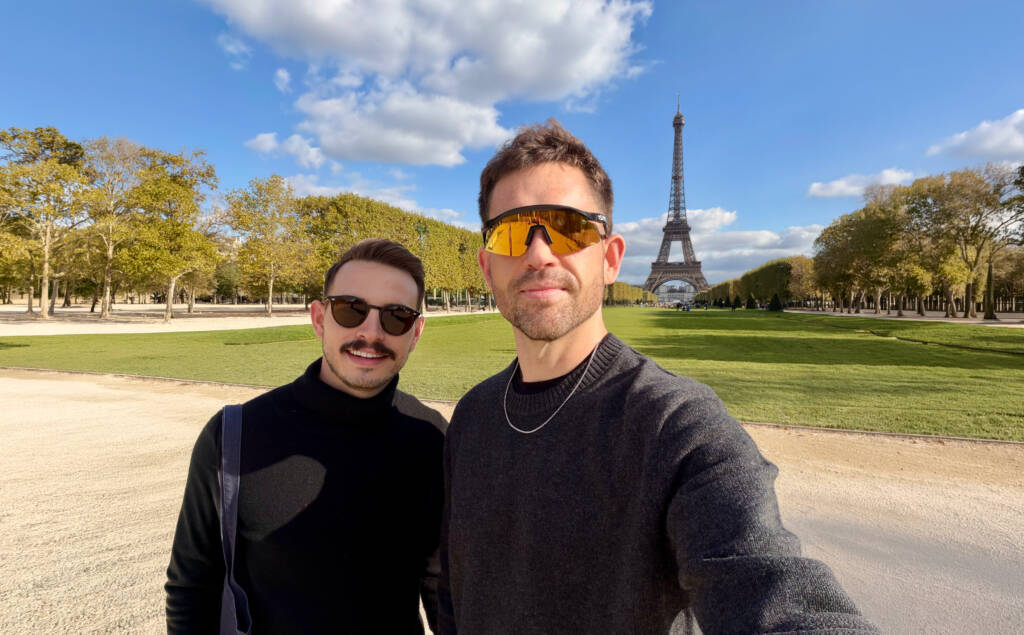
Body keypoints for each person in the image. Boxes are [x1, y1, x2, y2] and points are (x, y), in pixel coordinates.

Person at [437, 120, 879, 634]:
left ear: (610, 259)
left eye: (568, 227)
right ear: (486, 267)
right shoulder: (472, 415)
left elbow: (772, 591)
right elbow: (454, 589)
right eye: (511, 232)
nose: (539, 253)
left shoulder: (680, 426)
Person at [167, 239, 446, 634]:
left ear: (415, 332)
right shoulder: (233, 435)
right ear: (319, 318)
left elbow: (442, 589)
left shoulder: (432, 439)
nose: (371, 332)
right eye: (351, 309)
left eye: (396, 316)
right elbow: (192, 587)